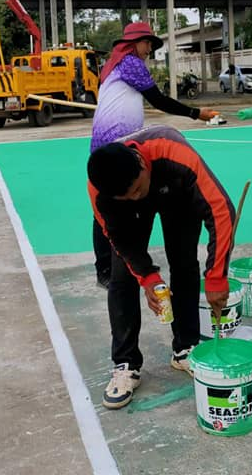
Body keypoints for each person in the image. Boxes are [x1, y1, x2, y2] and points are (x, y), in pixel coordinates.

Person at [88, 125, 234, 409]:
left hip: (175, 192)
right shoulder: (101, 188)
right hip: (128, 216)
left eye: (137, 190)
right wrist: (148, 278)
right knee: (122, 276)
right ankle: (125, 363)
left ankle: (185, 347)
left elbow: (220, 210)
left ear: (142, 163)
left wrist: (216, 278)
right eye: (127, 197)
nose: (135, 198)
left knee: (183, 262)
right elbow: (119, 239)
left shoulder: (176, 154)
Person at [90, 21, 217, 288]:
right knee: (119, 205)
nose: (149, 49)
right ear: (133, 43)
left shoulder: (114, 65)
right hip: (118, 142)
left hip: (108, 144)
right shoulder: (131, 63)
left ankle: (107, 267)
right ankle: (116, 268)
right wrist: (196, 113)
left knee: (109, 207)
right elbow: (158, 100)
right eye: (147, 43)